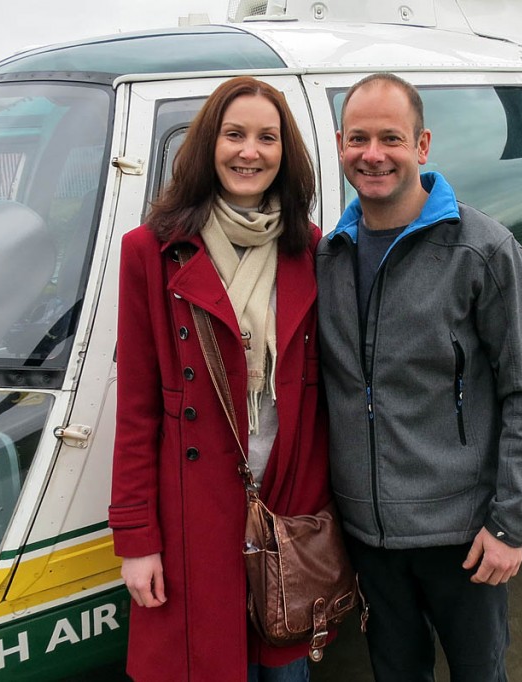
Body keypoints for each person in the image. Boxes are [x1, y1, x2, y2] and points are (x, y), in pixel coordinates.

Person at [316, 73, 522, 681]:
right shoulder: (329, 256)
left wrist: (512, 522)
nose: (373, 155)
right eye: (358, 139)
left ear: (422, 146)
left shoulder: (483, 251)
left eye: (391, 138)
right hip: (369, 537)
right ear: (341, 145)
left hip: (465, 536)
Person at [109, 76, 329, 682]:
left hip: (287, 514)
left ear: (286, 154)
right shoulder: (149, 252)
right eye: (234, 134)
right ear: (209, 144)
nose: (248, 151)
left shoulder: (309, 249)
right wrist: (136, 539)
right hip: (192, 516)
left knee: (283, 670)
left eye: (266, 137)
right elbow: (138, 409)